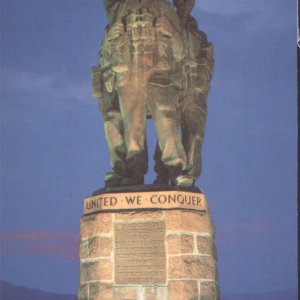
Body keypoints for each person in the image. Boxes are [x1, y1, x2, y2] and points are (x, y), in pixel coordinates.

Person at [93, 0, 189, 186]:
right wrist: (109, 37)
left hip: (158, 70)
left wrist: (171, 31)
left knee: (166, 116)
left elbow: (181, 51)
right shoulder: (120, 8)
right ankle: (134, 171)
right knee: (132, 123)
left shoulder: (163, 6)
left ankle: (176, 168)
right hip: (128, 70)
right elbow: (104, 54)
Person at [154, 0, 214, 187]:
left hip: (194, 88)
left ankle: (188, 176)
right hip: (171, 84)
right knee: (168, 130)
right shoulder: (165, 26)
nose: (185, 5)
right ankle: (164, 173)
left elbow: (208, 61)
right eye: (181, 1)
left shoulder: (199, 35)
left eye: (189, 2)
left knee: (195, 133)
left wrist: (201, 84)